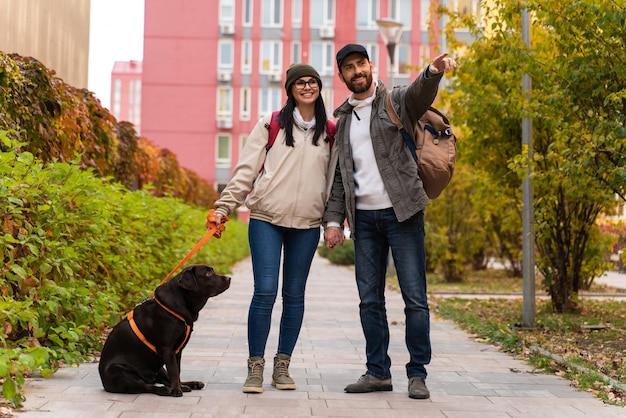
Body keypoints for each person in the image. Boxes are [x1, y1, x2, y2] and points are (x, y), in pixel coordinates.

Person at [323, 44, 456, 399]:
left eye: (360, 64)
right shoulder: (344, 120)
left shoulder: (395, 101)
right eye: (348, 67)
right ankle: (378, 372)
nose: (356, 71)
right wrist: (333, 220)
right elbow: (339, 176)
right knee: (369, 300)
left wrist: (433, 70)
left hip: (404, 214)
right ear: (342, 76)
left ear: (371, 65)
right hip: (363, 221)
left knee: (415, 299)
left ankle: (417, 374)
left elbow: (420, 92)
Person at [213, 63, 337, 394]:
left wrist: (334, 222)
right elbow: (246, 169)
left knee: (294, 296)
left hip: (307, 225)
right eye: (301, 82)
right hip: (266, 219)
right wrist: (223, 207)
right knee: (265, 291)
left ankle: (282, 365)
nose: (308, 87)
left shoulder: (331, 131)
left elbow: (335, 182)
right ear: (290, 89)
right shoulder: (272, 123)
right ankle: (255, 367)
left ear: (319, 87)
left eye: (313, 82)